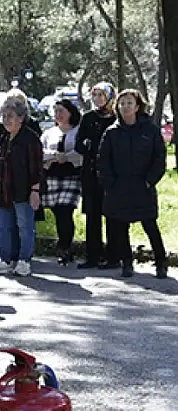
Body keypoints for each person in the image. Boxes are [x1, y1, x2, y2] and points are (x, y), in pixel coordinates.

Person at [97, 88, 168, 279]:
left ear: (137, 106)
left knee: (150, 225)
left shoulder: (150, 130)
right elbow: (103, 161)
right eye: (122, 103)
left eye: (129, 103)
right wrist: (110, 183)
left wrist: (149, 181)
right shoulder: (111, 132)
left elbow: (159, 158)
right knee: (120, 228)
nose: (125, 106)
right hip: (118, 187)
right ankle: (126, 263)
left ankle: (161, 262)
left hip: (142, 187)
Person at [0, 98, 43, 277]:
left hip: (24, 191)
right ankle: (5, 259)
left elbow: (36, 168)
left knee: (25, 227)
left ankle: (24, 261)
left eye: (10, 115)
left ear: (21, 117)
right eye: (3, 115)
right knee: (3, 226)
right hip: (4, 192)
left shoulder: (30, 139)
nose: (6, 119)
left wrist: (35, 191)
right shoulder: (4, 137)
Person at [74, 82, 119, 269]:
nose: (98, 99)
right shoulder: (88, 118)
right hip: (90, 173)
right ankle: (92, 255)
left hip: (111, 173)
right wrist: (87, 144)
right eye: (95, 95)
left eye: (101, 95)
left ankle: (113, 256)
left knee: (111, 215)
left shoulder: (117, 118)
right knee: (92, 215)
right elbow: (78, 144)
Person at [40, 99, 84, 265]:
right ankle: (63, 242)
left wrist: (67, 156)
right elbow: (40, 152)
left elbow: (81, 153)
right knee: (57, 210)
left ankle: (65, 247)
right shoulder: (49, 133)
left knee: (66, 209)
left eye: (61, 111)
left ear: (70, 112)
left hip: (72, 175)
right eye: (56, 110)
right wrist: (54, 155)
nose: (58, 114)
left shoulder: (78, 131)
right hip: (52, 175)